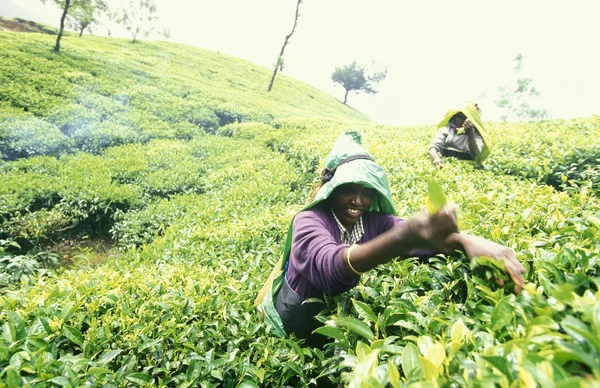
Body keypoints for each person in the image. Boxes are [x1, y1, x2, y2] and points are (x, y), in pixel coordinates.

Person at [256, 131, 524, 346]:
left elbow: (422, 239)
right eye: (348, 189)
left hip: (334, 327)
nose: (358, 200)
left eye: (366, 191)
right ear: (331, 188)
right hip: (294, 327)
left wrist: (464, 241)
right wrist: (403, 238)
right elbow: (330, 267)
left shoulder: (372, 222)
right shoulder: (309, 221)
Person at [429, 100, 491, 167]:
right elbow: (434, 147)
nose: (462, 121)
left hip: (467, 168)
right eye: (459, 117)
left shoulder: (476, 134)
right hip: (445, 165)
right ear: (454, 117)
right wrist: (436, 158)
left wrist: (470, 133)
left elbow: (475, 154)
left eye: (466, 118)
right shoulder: (446, 130)